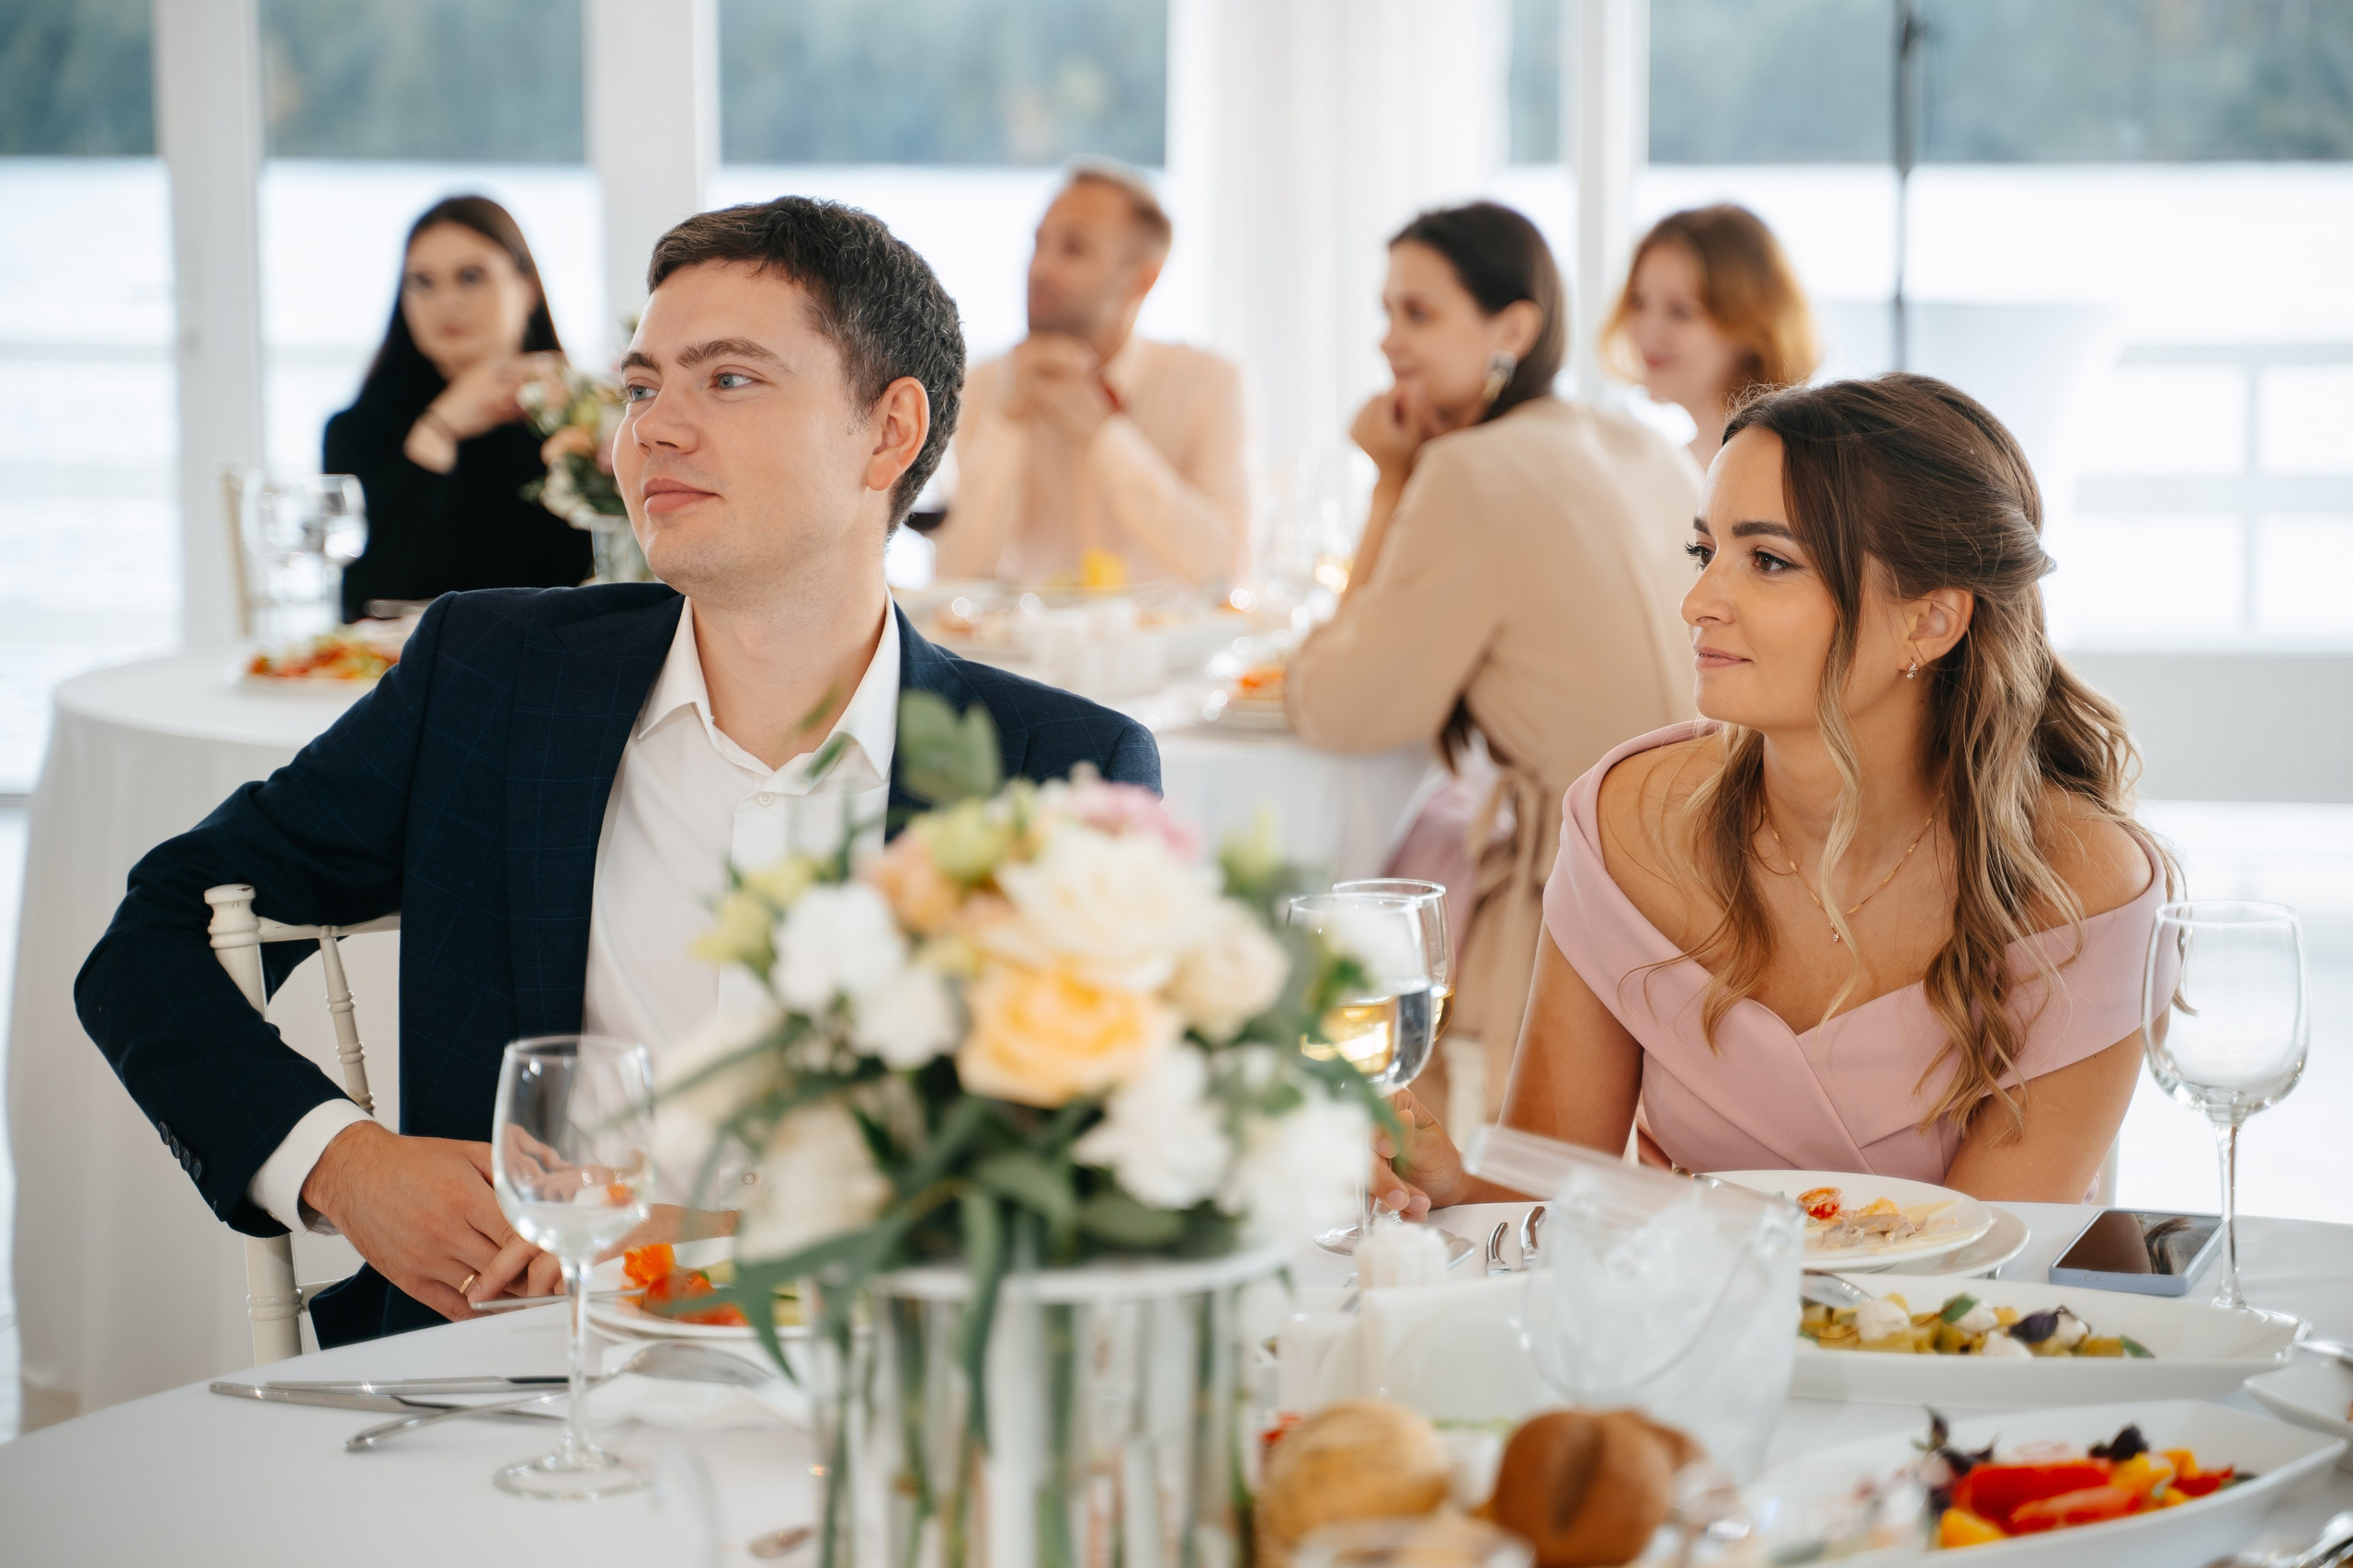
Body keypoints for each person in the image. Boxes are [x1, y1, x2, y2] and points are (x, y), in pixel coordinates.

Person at [78, 197, 1161, 1346]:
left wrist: (694, 1244)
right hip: (500, 1383)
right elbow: (155, 937)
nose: (652, 431)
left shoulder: (1062, 769)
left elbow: (1096, 1184)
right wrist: (347, 1162)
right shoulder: (493, 678)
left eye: (728, 380)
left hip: (884, 1400)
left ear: (889, 432)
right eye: (644, 387)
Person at [1376, 374, 2167, 1211]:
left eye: (1768, 561)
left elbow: (1980, 1265)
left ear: (1930, 622)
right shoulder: (1629, 822)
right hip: (1689, 1331)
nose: (1697, 602)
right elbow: (1543, 1198)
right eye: (1703, 551)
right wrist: (1452, 1182)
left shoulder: (2080, 881)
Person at [1284, 201, 1701, 1129]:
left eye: (1418, 315)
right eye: (1385, 314)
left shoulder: (1468, 470)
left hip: (1582, 886)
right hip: (1708, 865)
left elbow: (1340, 707)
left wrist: (1390, 479)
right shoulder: (1640, 443)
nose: (1388, 343)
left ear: (1513, 327)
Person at [931, 161, 1251, 589]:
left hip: (1167, 654)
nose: (1040, 268)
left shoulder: (1212, 384)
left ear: (1142, 279)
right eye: (1039, 243)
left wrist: (1104, 434)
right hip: (1018, 654)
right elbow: (953, 575)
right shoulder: (985, 383)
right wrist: (1006, 421)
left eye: (1074, 248)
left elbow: (1229, 568)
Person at [327, 195, 592, 621]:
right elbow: (367, 602)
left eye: (470, 276)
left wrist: (576, 426)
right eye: (423, 282)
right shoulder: (358, 431)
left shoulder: (583, 417)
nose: (446, 302)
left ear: (526, 288)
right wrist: (438, 430)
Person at [1603, 204, 1818, 471]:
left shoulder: (1788, 473)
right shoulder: (1674, 466)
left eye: (1680, 311)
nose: (1647, 331)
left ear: (1750, 324)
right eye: (1637, 302)